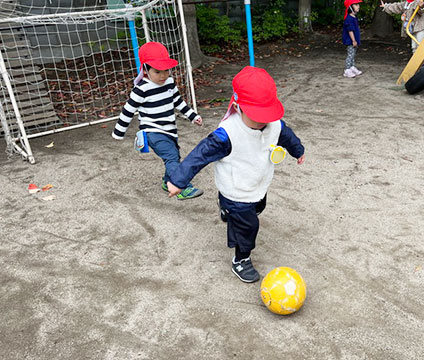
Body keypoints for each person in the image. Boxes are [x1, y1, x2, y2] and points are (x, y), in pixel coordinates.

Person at [166, 66, 305, 283]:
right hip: (235, 190)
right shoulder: (226, 135)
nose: (263, 121)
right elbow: (199, 156)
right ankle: (241, 259)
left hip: (257, 184)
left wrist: (298, 150)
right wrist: (177, 180)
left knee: (259, 207)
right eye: (257, 115)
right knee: (248, 226)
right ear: (238, 107)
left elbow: (285, 135)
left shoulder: (273, 124)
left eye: (266, 115)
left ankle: (228, 211)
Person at [112, 42, 204, 200]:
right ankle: (182, 187)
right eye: (157, 71)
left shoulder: (169, 83)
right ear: (145, 69)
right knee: (171, 157)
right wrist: (119, 132)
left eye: (166, 70)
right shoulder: (141, 89)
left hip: (170, 129)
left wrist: (192, 115)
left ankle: (167, 181)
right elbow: (128, 110)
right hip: (153, 131)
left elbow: (178, 102)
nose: (163, 75)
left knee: (174, 155)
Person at [343, 0, 363, 78]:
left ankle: (352, 67)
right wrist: (353, 40)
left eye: (358, 4)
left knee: (353, 54)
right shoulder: (349, 18)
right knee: (350, 55)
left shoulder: (354, 17)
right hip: (350, 40)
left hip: (355, 40)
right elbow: (350, 31)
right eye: (356, 5)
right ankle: (347, 69)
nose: (358, 6)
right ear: (350, 7)